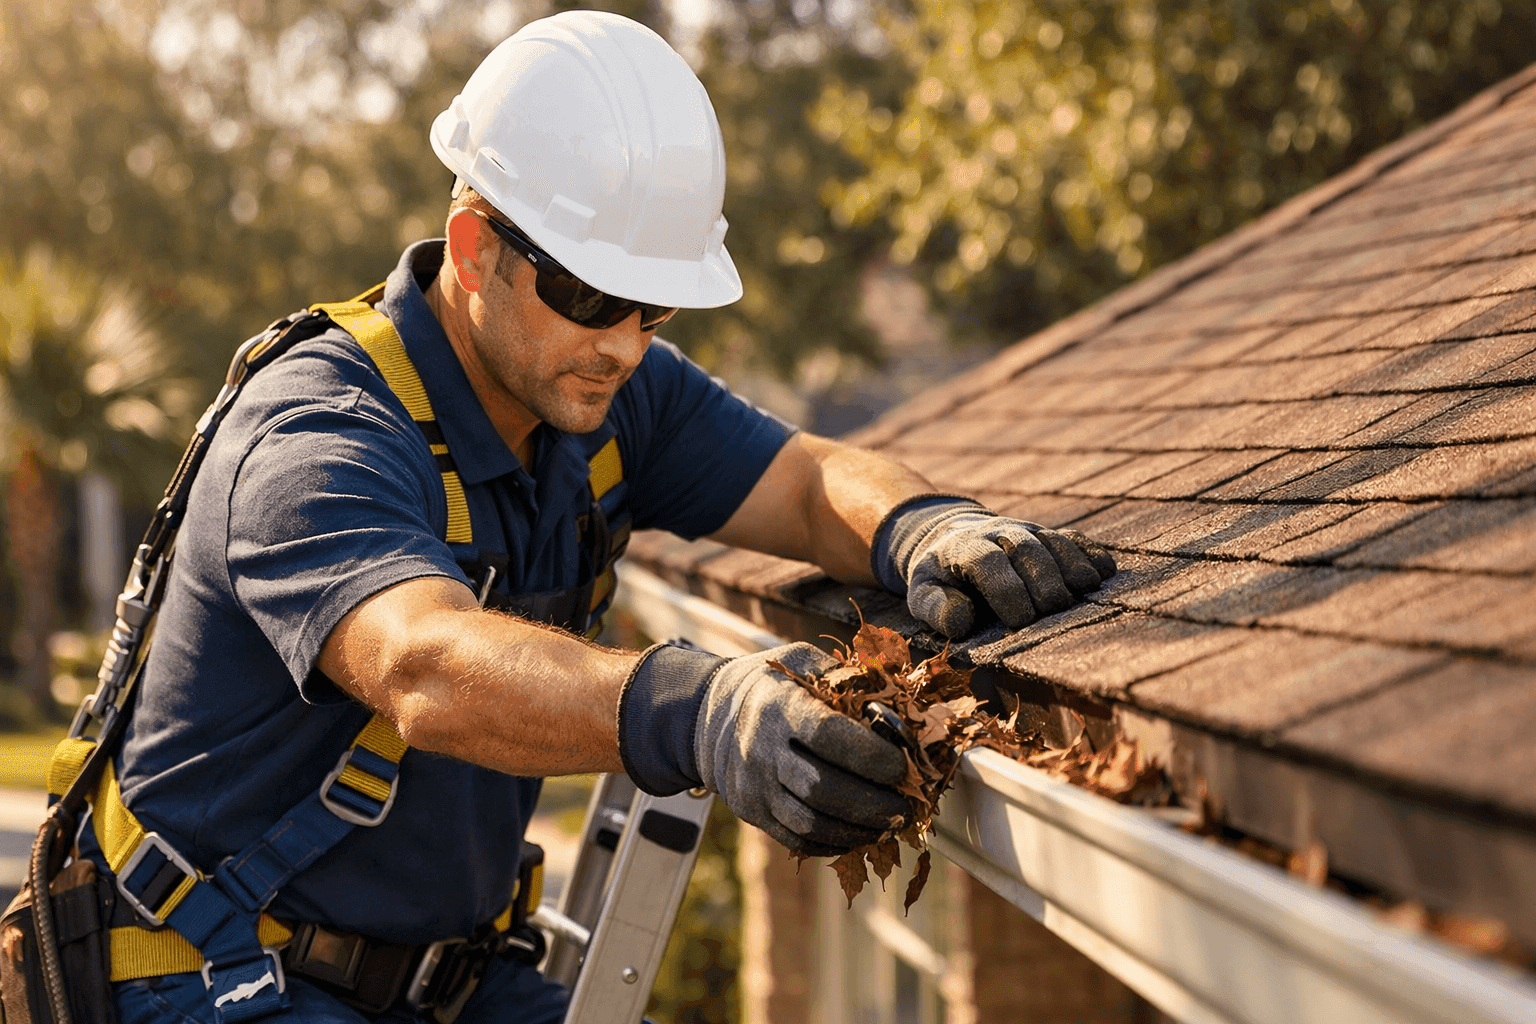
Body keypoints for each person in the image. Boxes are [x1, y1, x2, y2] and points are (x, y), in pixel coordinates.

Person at [97, 11, 1115, 1024]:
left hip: (449, 979)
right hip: (213, 972)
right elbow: (424, 664)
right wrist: (701, 711)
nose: (626, 345)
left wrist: (923, 526)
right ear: (474, 248)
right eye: (590, 295)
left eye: (655, 307)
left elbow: (805, 484)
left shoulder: (604, 390)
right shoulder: (320, 428)